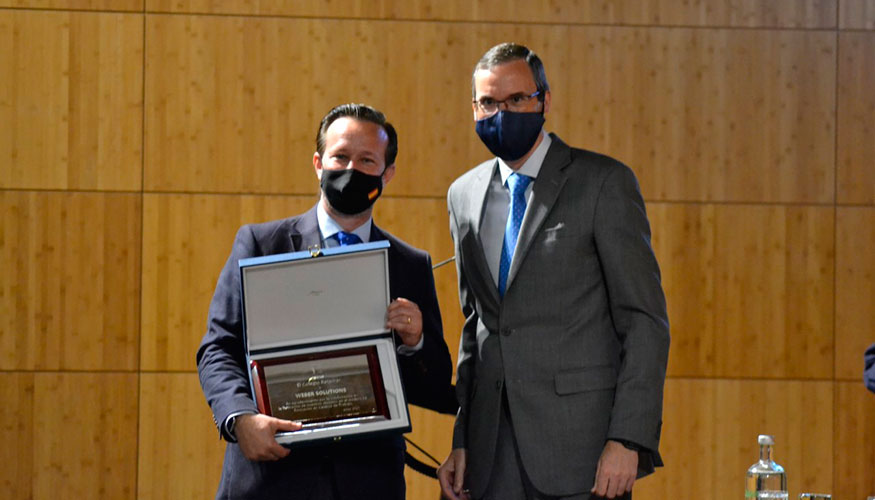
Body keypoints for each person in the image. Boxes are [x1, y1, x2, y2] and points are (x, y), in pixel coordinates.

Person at [437, 43, 671, 500]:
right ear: (473, 108)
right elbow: (477, 326)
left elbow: (644, 320)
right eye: (488, 103)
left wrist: (628, 439)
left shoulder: (603, 183)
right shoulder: (462, 194)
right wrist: (462, 437)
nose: (500, 112)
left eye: (516, 100)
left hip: (582, 454)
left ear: (544, 100)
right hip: (489, 457)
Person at [197, 103, 454, 499]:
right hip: (270, 479)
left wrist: (416, 340)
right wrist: (240, 419)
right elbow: (218, 348)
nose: (351, 169)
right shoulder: (261, 246)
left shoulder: (409, 265)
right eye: (340, 156)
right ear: (319, 163)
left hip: (368, 484)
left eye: (367, 160)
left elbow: (435, 385)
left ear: (388, 173)